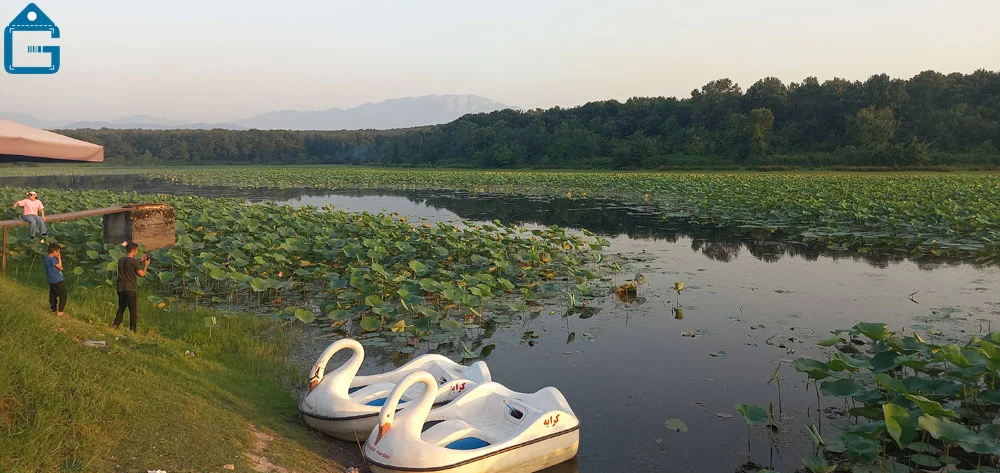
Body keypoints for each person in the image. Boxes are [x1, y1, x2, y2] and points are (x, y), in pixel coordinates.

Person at [114, 242, 150, 332]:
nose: (137, 252)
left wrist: (140, 261)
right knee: (133, 310)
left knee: (122, 307)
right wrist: (146, 265)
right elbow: (141, 274)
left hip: (121, 287)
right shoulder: (134, 262)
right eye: (137, 250)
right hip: (131, 288)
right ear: (133, 250)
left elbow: (129, 265)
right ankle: (132, 329)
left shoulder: (121, 260)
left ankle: (116, 324)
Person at [45, 243, 67, 316]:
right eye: (58, 251)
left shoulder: (46, 259)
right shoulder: (52, 260)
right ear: (54, 251)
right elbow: (61, 268)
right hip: (58, 280)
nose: (58, 253)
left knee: (53, 294)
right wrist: (59, 258)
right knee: (63, 295)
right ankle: (60, 311)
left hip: (51, 280)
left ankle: (53, 308)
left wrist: (58, 257)